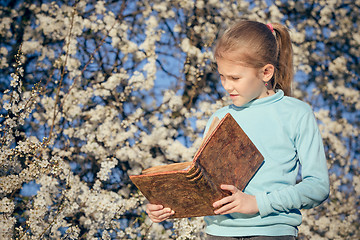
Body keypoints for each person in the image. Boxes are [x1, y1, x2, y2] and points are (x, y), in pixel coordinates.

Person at [145, 20, 330, 239]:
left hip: (271, 232)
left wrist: (257, 203)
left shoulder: (297, 113)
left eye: (235, 78)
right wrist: (169, 205)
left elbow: (318, 187)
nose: (226, 85)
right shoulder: (220, 117)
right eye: (222, 76)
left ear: (266, 72)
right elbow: (205, 185)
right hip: (218, 233)